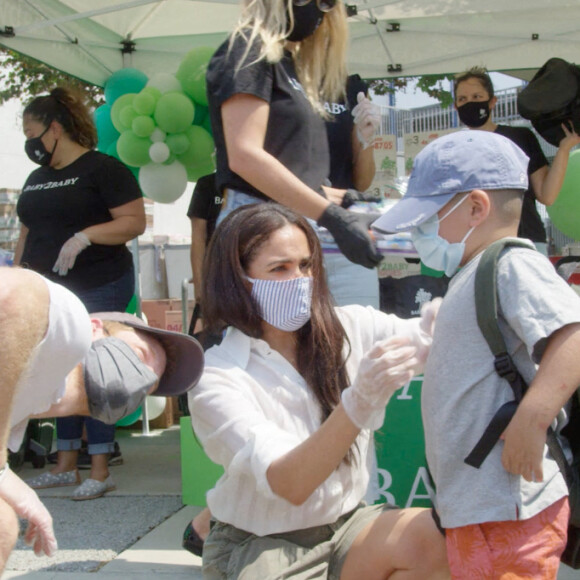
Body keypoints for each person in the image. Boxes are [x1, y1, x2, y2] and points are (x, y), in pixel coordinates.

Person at [187, 203, 449, 579]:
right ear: (237, 279)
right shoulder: (217, 376)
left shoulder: (349, 327)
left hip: (347, 525)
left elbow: (429, 336)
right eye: (280, 268)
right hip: (262, 543)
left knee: (436, 543)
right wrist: (357, 404)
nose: (299, 280)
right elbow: (291, 484)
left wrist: (444, 322)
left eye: (306, 265)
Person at [372, 130, 580, 578]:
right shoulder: (471, 275)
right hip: (474, 508)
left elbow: (575, 336)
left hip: (510, 506)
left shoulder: (510, 263)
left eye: (428, 216)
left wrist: (533, 416)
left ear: (475, 208)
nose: (419, 230)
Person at [0, 267, 204, 573]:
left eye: (151, 384)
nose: (143, 378)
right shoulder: (73, 329)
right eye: (141, 354)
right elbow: (13, 292)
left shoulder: (19, 417)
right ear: (97, 328)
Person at [14, 86, 147, 496]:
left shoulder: (103, 169)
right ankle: (65, 463)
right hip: (48, 290)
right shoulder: (37, 178)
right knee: (57, 368)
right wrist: (18, 275)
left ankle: (100, 469)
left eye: (32, 132)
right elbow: (27, 230)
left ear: (55, 128)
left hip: (100, 281)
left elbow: (134, 221)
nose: (29, 142)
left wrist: (86, 236)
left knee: (94, 369)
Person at [206, 0, 382, 271]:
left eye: (327, 2)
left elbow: (291, 171)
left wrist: (340, 199)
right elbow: (244, 155)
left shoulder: (295, 69)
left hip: (300, 226)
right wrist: (332, 215)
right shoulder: (248, 51)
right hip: (259, 228)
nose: (316, 9)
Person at [453, 65, 580, 254]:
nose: (469, 103)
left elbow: (547, 195)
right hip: (476, 247)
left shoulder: (520, 137)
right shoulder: (452, 150)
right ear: (456, 106)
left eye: (477, 97)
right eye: (462, 99)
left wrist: (564, 148)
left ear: (492, 102)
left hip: (526, 243)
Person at [186, 172, 223, 338]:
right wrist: (199, 285)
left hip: (255, 275)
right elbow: (198, 238)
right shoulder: (207, 183)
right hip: (216, 279)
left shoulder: (259, 178)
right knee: (216, 338)